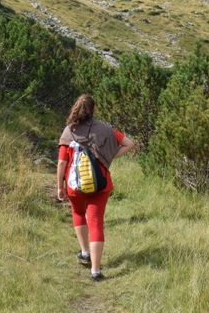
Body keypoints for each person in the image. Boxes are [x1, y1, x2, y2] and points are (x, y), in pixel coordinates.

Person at [57, 94, 134, 281]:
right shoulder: (106, 129)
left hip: (75, 185)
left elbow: (61, 163)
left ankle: (85, 252)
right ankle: (96, 271)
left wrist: (60, 186)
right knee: (96, 222)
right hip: (100, 184)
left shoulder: (69, 131)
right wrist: (109, 156)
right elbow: (130, 144)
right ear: (93, 110)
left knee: (78, 213)